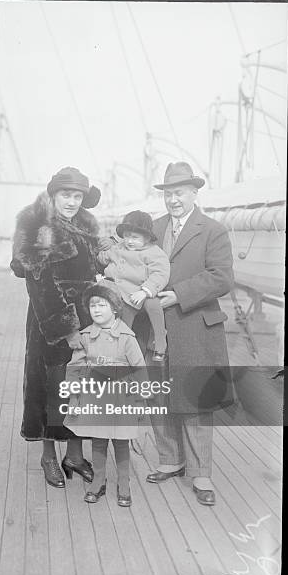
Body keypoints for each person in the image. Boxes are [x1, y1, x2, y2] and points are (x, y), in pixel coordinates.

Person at [11, 166, 109, 489]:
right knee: (52, 388)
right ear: (54, 194)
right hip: (50, 321)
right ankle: (49, 455)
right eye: (66, 194)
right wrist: (68, 330)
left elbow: (95, 269)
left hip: (87, 318)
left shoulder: (85, 225)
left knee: (79, 389)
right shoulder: (40, 225)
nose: (72, 201)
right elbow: (40, 284)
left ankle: (75, 456)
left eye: (78, 195)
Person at [146, 162, 234, 506]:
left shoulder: (213, 230)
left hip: (195, 326)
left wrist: (178, 293)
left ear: (194, 193)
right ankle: (171, 460)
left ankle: (201, 473)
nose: (173, 200)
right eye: (168, 194)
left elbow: (222, 277)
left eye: (179, 193)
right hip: (157, 328)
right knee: (157, 393)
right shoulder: (152, 229)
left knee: (196, 399)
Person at [63, 279, 147, 507]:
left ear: (115, 308)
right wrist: (74, 395)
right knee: (98, 441)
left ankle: (123, 483)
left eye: (102, 305)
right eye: (93, 306)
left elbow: (140, 369)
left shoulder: (127, 338)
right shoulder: (86, 336)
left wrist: (141, 401)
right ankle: (98, 481)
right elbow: (75, 367)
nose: (96, 310)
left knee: (121, 442)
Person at [98, 210, 170, 362]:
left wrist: (145, 291)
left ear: (147, 238)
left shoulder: (153, 252)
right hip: (125, 296)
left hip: (142, 292)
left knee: (154, 304)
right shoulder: (119, 248)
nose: (129, 241)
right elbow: (106, 256)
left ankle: (160, 340)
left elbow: (160, 273)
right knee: (124, 324)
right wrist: (102, 257)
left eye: (135, 237)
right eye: (126, 236)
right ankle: (121, 353)